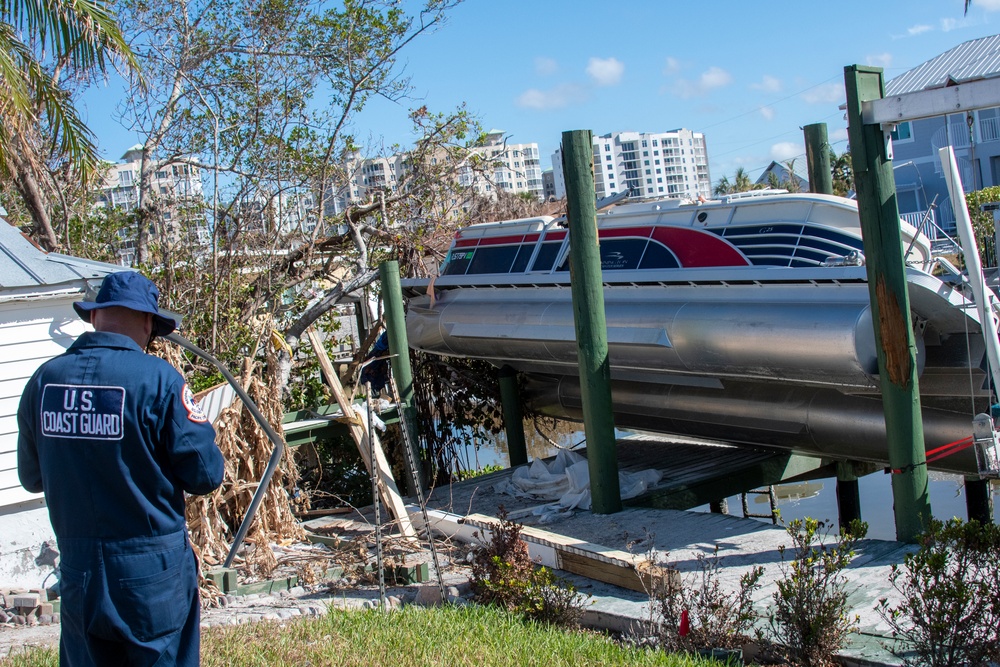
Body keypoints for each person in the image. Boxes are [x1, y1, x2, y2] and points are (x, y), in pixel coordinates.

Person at [16, 271, 225, 667]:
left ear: (94, 317)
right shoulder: (160, 382)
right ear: (148, 322)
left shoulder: (44, 382)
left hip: (79, 573)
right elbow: (206, 474)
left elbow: (31, 478)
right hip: (151, 574)